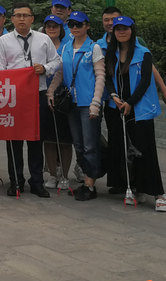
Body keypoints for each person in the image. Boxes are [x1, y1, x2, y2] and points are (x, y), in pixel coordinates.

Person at [0, 2, 60, 198]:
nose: (21, 19)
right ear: (12, 19)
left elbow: (57, 61)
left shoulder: (43, 39)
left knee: (35, 139)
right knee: (13, 140)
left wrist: (45, 69)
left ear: (32, 19)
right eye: (18, 15)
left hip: (37, 95)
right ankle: (16, 181)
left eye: (25, 15)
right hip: (13, 97)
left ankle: (37, 182)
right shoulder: (4, 41)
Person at [105, 16, 166, 211]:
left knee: (145, 151)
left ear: (132, 30)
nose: (121, 32)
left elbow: (145, 81)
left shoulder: (143, 53)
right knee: (124, 150)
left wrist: (130, 103)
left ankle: (159, 194)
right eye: (118, 29)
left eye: (125, 28)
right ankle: (134, 188)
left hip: (139, 109)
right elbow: (107, 78)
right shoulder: (111, 53)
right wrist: (114, 96)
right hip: (117, 108)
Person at [47, 11, 105, 201]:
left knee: (90, 145)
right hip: (71, 103)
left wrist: (96, 102)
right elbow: (60, 73)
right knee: (79, 145)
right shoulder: (66, 48)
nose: (75, 27)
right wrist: (51, 92)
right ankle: (86, 182)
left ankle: (90, 185)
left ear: (87, 26)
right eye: (71, 24)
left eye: (79, 24)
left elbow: (100, 76)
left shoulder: (93, 48)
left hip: (88, 104)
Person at [102, 6, 166, 108]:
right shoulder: (99, 45)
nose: (110, 23)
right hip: (111, 100)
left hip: (136, 100)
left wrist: (165, 91)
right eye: (106, 20)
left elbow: (149, 68)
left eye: (113, 19)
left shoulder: (139, 45)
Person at [41, 15, 74, 192]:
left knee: (65, 140)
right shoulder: (40, 46)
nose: (52, 29)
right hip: (43, 95)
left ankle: (65, 176)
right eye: (48, 26)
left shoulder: (68, 46)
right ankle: (53, 174)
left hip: (64, 97)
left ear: (61, 29)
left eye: (55, 26)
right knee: (49, 139)